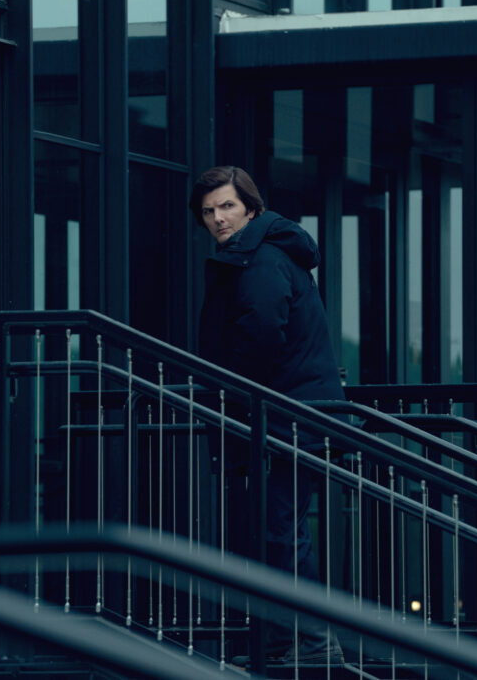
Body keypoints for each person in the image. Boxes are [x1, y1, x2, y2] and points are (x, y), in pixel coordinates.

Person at [190, 166, 346, 667]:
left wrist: (225, 393)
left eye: (227, 206)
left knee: (279, 535)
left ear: (251, 208)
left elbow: (258, 338)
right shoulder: (263, 255)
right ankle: (286, 645)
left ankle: (313, 645)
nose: (219, 218)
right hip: (288, 419)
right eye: (209, 211)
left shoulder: (261, 261)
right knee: (279, 535)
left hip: (284, 422)